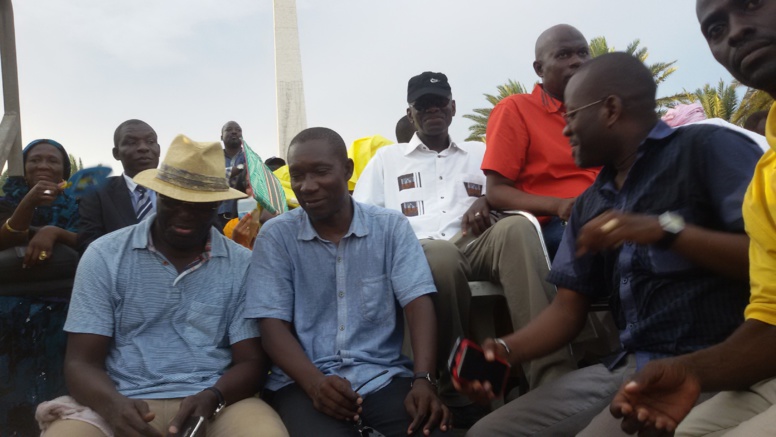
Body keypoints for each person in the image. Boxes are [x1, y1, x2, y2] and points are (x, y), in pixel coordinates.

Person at [457, 52, 762, 436]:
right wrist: (502, 350)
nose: (564, 130)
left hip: (715, 363)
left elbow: (763, 255)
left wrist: (665, 230)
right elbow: (567, 312)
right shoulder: (590, 202)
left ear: (611, 109)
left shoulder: (708, 149)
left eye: (571, 116)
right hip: (625, 367)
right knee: (487, 433)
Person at [353, 71, 577, 427]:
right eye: (422, 104)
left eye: (439, 102)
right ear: (410, 114)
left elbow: (506, 192)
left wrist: (488, 200)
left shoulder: (480, 152)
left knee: (519, 228)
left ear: (453, 107)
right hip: (419, 249)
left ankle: (550, 377)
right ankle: (453, 387)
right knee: (440, 257)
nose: (432, 110)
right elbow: (363, 215)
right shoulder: (387, 160)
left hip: (476, 244)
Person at [38, 134, 287, 437]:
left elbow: (251, 361)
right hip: (121, 397)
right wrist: (113, 406)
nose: (184, 214)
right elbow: (80, 362)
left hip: (217, 400)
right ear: (156, 195)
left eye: (199, 206)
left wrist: (213, 397)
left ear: (217, 204)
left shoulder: (242, 264)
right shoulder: (105, 255)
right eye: (173, 201)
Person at [609, 2, 776, 435]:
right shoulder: (766, 176)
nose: (735, 32)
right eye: (716, 28)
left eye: (751, 4)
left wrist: (666, 230)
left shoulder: (708, 147)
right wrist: (690, 372)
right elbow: (770, 316)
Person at [246, 127, 451, 436]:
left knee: (430, 430)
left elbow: (418, 302)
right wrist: (315, 384)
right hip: (302, 383)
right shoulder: (277, 237)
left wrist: (423, 380)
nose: (308, 186)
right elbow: (271, 328)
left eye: (320, 172)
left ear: (348, 170)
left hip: (383, 377)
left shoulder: (390, 228)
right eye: (298, 176)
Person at [481, 24, 600, 260]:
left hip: (608, 211)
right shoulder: (515, 109)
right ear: (539, 68)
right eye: (564, 55)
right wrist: (559, 206)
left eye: (583, 52)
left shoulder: (602, 109)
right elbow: (497, 192)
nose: (577, 61)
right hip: (556, 224)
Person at [0, 139, 80, 435]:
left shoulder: (80, 206)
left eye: (52, 160)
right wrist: (29, 203)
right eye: (35, 160)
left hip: (63, 316)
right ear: (22, 167)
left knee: (59, 400)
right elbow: (4, 238)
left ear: (64, 170)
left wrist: (53, 231)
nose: (44, 166)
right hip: (9, 317)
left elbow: (91, 240)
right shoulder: (6, 202)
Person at [77, 119, 161, 252]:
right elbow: (89, 243)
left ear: (159, 148)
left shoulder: (179, 189)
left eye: (150, 142)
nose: (143, 148)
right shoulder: (97, 193)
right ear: (116, 153)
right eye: (132, 142)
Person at [216, 120, 247, 230]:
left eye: (238, 130)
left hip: (244, 217)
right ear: (221, 137)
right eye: (229, 130)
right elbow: (210, 177)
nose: (234, 132)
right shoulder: (213, 158)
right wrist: (239, 169)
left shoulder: (250, 158)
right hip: (216, 216)